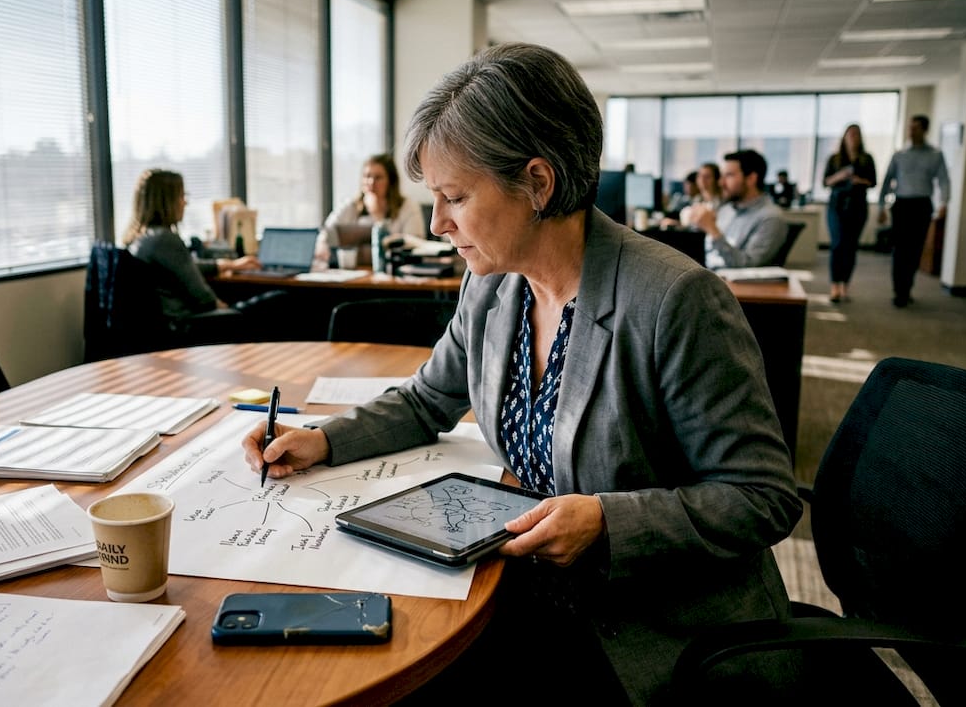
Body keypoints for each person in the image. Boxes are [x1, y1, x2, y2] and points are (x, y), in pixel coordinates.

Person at [241, 42, 801, 704]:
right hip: (527, 591)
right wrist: (324, 439)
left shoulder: (675, 301)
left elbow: (762, 496)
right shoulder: (494, 286)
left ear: (538, 183)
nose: (436, 223)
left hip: (654, 630)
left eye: (454, 196)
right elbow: (427, 399)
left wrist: (606, 521)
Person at [122, 168, 267, 338]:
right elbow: (204, 299)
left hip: (166, 322)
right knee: (280, 299)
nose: (185, 203)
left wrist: (229, 264)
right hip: (184, 324)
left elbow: (184, 265)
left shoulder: (141, 237)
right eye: (182, 196)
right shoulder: (166, 239)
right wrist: (227, 309)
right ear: (167, 201)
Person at [877, 114, 951, 308]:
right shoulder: (900, 154)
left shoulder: (935, 155)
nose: (911, 131)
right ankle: (899, 291)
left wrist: (944, 203)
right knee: (900, 249)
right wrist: (881, 206)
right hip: (902, 205)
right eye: (910, 127)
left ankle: (907, 287)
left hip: (922, 205)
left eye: (916, 127)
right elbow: (887, 181)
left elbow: (944, 180)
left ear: (925, 130)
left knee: (915, 250)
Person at [315, 153, 428, 264]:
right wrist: (322, 243)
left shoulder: (408, 207)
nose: (371, 182)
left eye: (378, 177)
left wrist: (379, 219)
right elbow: (326, 230)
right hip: (356, 270)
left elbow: (415, 245)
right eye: (367, 176)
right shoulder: (351, 205)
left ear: (391, 181)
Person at [690, 149, 789, 268]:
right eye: (722, 176)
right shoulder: (727, 209)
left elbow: (748, 265)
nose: (721, 183)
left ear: (751, 179)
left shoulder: (771, 218)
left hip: (730, 284)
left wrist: (713, 230)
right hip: (706, 275)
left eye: (729, 175)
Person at [823, 124, 878, 303]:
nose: (853, 137)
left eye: (856, 134)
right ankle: (834, 287)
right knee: (837, 244)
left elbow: (873, 182)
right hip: (837, 205)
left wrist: (858, 180)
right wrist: (840, 176)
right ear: (844, 136)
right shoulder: (835, 159)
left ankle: (845, 286)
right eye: (850, 134)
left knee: (851, 247)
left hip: (857, 205)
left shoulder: (867, 159)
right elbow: (826, 181)